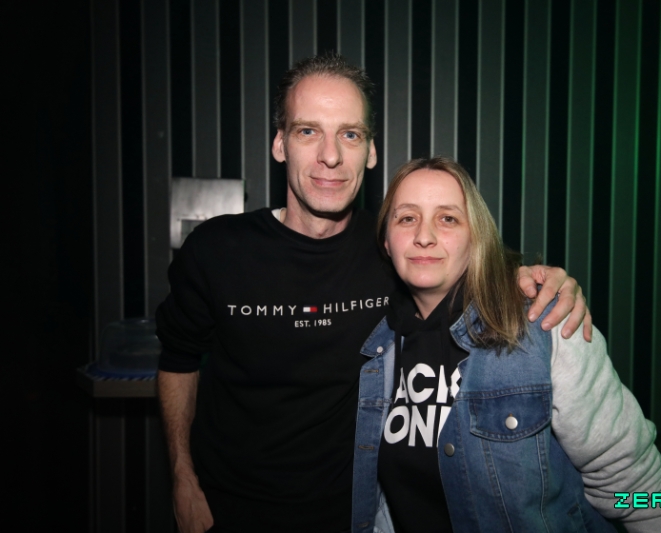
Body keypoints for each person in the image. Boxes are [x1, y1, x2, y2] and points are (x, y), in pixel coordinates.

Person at [156, 54, 590, 533]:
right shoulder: (217, 249)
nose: (330, 156)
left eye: (350, 134)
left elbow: (472, 265)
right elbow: (177, 360)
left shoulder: (396, 250)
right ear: (280, 144)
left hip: (354, 516)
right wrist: (181, 477)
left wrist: (538, 282)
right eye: (307, 131)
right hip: (226, 511)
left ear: (371, 151)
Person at [351, 157, 661, 533]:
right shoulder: (378, 352)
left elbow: (635, 480)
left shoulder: (541, 325)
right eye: (407, 218)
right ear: (386, 241)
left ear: (475, 238)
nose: (424, 235)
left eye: (448, 218)